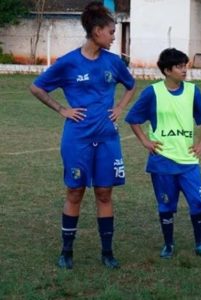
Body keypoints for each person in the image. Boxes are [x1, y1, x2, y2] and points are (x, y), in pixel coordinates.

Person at [29, 1, 136, 269]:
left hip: (108, 139)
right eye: (111, 32)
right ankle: (66, 252)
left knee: (104, 193)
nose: (114, 37)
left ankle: (107, 253)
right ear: (97, 31)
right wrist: (62, 109)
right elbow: (37, 88)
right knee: (75, 192)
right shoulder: (68, 63)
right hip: (77, 139)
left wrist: (119, 108)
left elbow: (131, 85)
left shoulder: (114, 62)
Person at [125, 48, 201, 259]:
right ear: (167, 70)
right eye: (179, 67)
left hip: (189, 161)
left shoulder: (193, 91)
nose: (184, 70)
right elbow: (133, 119)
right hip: (162, 161)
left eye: (185, 66)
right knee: (166, 205)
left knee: (198, 204)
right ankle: (168, 244)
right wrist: (145, 141)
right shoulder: (152, 92)